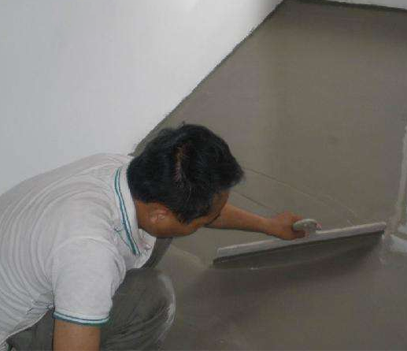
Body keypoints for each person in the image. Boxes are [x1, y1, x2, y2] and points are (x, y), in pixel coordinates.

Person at [0, 124, 305, 351]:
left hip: (32, 268)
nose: (209, 219)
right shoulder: (89, 253)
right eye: (204, 220)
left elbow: (207, 209)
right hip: (14, 331)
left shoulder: (126, 170)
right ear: (160, 213)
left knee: (160, 234)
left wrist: (269, 226)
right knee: (151, 298)